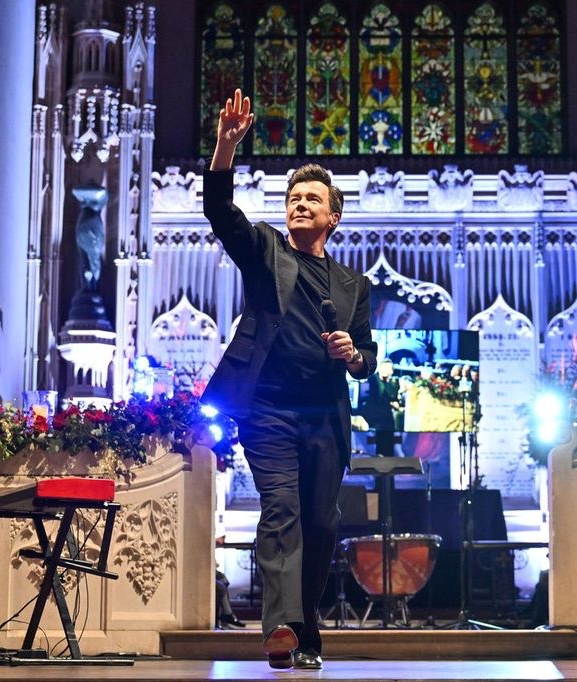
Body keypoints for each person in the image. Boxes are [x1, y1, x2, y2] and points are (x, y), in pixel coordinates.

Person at [202, 88, 377, 670]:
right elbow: (221, 213)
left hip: (324, 416)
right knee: (281, 510)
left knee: (321, 525)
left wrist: (353, 355)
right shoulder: (265, 251)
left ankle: (305, 631)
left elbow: (369, 357)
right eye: (293, 198)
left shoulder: (353, 286)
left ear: (333, 217)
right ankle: (279, 627)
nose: (300, 204)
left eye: (312, 199)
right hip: (267, 410)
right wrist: (225, 147)